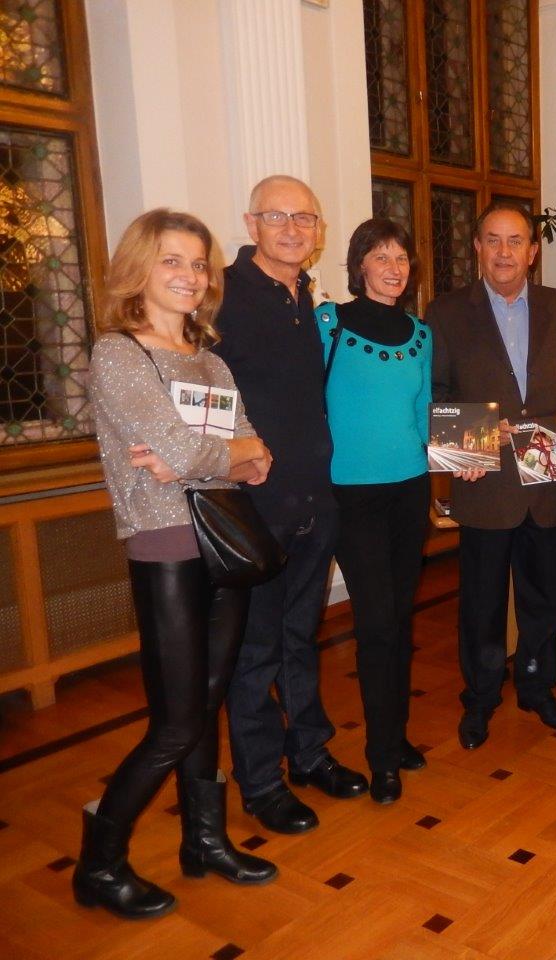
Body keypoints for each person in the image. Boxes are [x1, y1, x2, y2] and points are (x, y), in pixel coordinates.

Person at [77, 209, 277, 919]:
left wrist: (215, 457)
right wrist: (218, 456)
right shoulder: (119, 354)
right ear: (140, 269)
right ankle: (99, 860)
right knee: (174, 721)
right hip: (164, 545)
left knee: (207, 702)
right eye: (173, 261)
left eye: (199, 264)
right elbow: (203, 452)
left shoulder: (210, 360)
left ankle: (204, 840)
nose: (190, 276)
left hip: (223, 538)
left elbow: (253, 452)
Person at [214, 175, 368, 836]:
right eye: (278, 216)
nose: (293, 228)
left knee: (301, 638)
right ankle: (259, 781)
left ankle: (309, 752)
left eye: (304, 217)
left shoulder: (308, 299)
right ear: (251, 223)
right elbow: (202, 396)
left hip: (315, 500)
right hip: (255, 508)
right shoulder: (222, 297)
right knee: (255, 652)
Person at [427, 200, 556, 750]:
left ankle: (536, 684)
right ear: (477, 248)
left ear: (532, 251)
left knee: (545, 597)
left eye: (516, 241)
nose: (504, 252)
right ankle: (480, 696)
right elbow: (434, 396)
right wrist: (464, 451)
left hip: (549, 483)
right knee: (481, 602)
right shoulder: (446, 313)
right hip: (485, 485)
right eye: (493, 240)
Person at [316, 218, 432, 803]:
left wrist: (465, 452)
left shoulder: (419, 334)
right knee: (376, 623)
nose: (394, 268)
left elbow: (424, 416)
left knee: (400, 619)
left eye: (402, 258)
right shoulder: (328, 324)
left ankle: (396, 736)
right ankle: (381, 755)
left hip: (410, 490)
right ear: (359, 264)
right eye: (382, 257)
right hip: (352, 494)